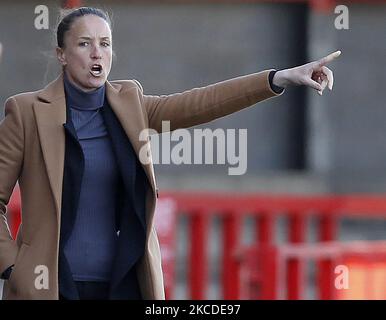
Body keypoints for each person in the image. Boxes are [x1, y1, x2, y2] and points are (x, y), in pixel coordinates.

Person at [0, 7, 340, 300]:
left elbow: (202, 102)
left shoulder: (129, 105)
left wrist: (278, 78)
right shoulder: (27, 112)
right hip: (48, 287)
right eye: (84, 44)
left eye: (105, 44)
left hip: (124, 285)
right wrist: (13, 265)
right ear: (61, 53)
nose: (97, 54)